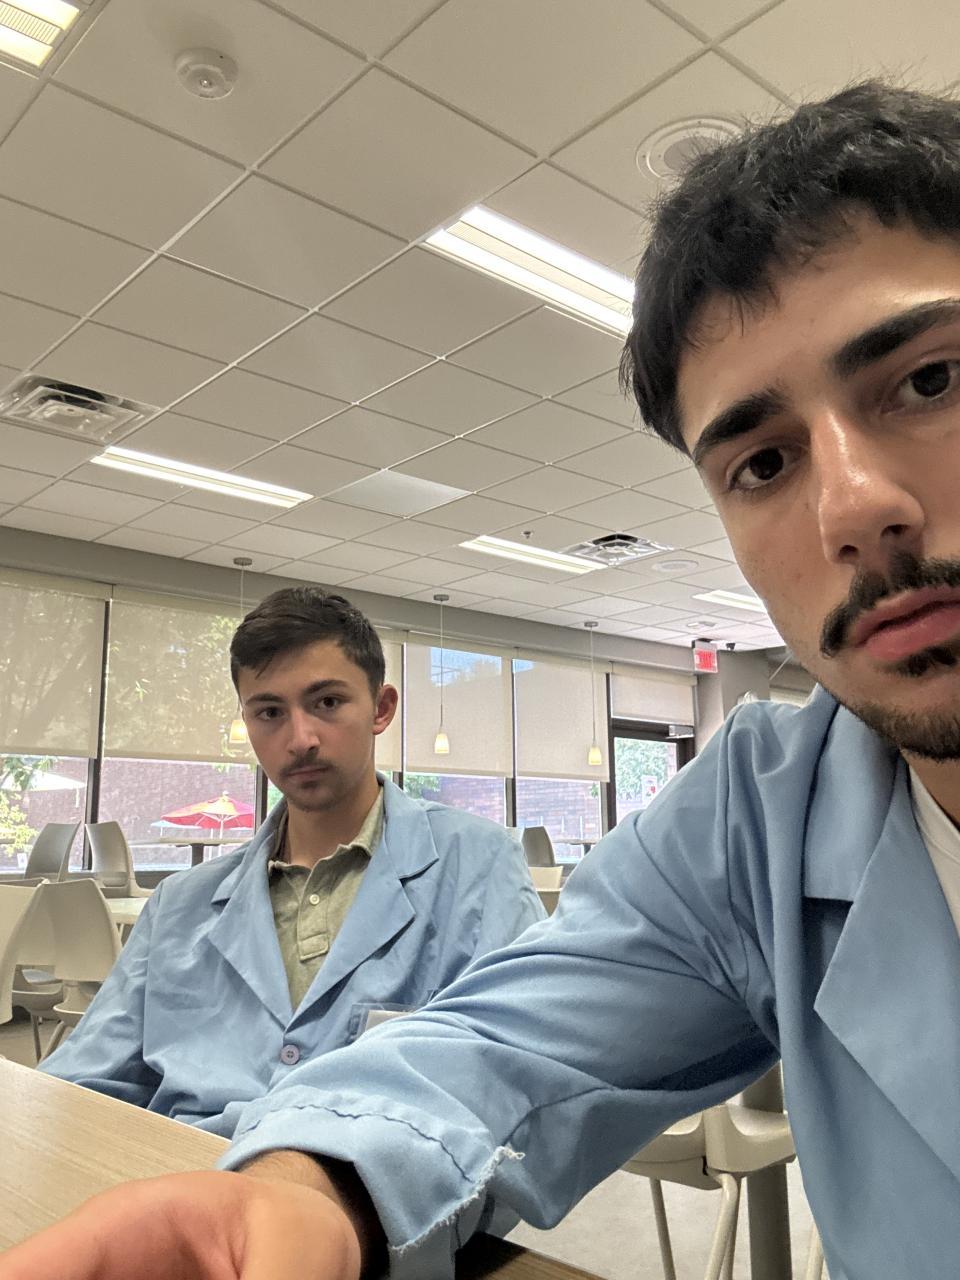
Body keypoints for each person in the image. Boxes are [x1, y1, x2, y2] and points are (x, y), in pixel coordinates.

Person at [6, 77, 960, 1280]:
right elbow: (498, 1044)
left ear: (381, 710)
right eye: (764, 461)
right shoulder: (768, 811)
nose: (854, 506)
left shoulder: (480, 856)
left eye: (931, 379)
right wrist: (310, 1190)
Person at [37, 587, 543, 1137]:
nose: (300, 739)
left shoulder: (479, 866)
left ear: (381, 708)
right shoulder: (179, 906)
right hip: (186, 1172)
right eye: (270, 712)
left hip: (373, 1181)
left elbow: (517, 1083)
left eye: (327, 703)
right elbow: (78, 1086)